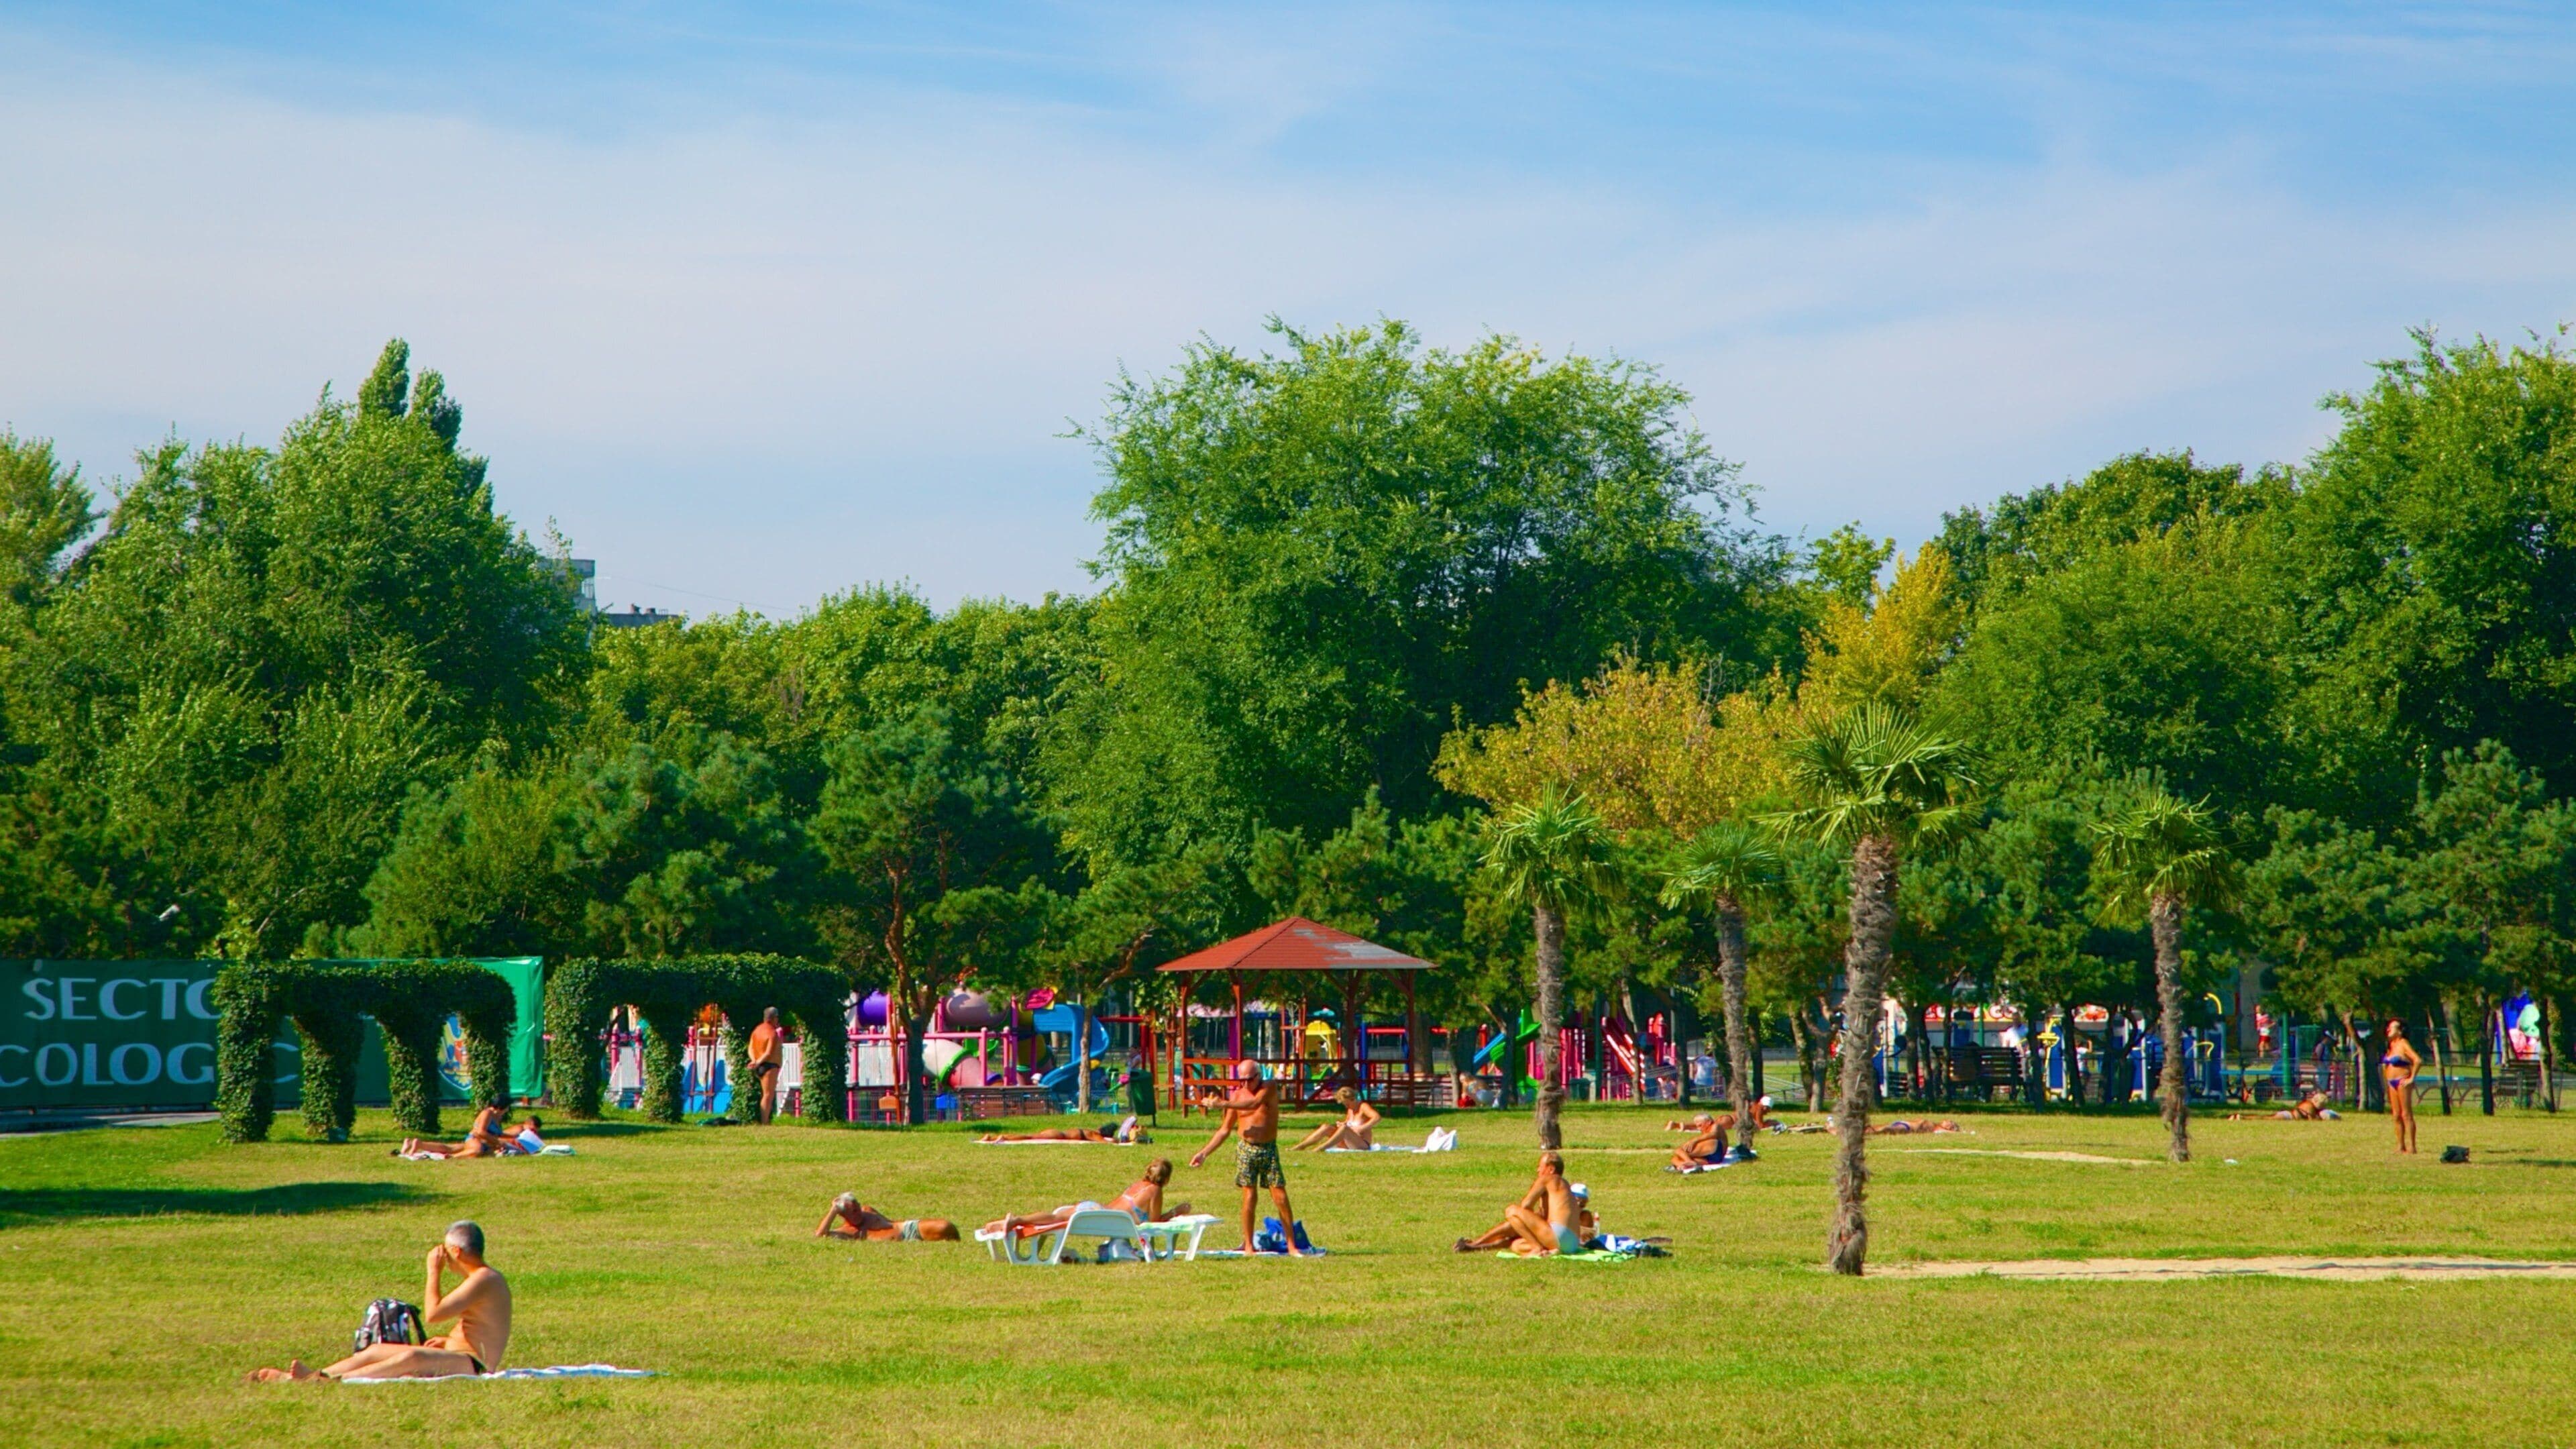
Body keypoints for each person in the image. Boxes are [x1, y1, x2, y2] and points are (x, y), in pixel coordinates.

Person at [248, 1221, 511, 1382]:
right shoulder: (484, 1279)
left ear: (456, 1251)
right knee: (375, 1350)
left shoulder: (485, 1278)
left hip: (474, 1365)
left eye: (445, 1252)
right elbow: (479, 1323)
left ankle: (329, 1381)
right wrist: (449, 1341)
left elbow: (433, 1314)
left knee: (412, 1356)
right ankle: (316, 1375)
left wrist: (434, 1271)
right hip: (459, 1354)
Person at [1188, 1061, 1305, 1256]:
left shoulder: (1269, 1087)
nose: (1245, 1084)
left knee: (1280, 1197)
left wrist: (1222, 1103)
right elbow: (1225, 1130)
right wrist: (1204, 1153)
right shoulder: (1237, 1096)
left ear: (1258, 1076)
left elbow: (1254, 1103)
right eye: (1241, 1080)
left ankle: (1292, 1245)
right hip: (1246, 1149)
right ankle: (1248, 1246)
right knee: (1249, 1197)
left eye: (1249, 1080)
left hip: (1268, 1149)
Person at [981, 1159, 1191, 1240]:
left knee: (1055, 1217)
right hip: (1104, 1219)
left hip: (1094, 1208)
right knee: (1056, 1220)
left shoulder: (1138, 1184)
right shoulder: (1155, 1191)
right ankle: (1016, 1222)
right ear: (1166, 1178)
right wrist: (1176, 1212)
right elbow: (1152, 1225)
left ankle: (1017, 1220)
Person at [1452, 1151, 1584, 1256]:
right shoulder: (1562, 1188)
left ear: (1550, 1169)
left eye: (1540, 1166)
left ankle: (1536, 1248)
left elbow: (1525, 1206)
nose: (1538, 1170)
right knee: (1515, 1244)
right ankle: (1476, 1247)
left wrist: (1522, 1225)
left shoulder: (1548, 1179)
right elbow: (1539, 1217)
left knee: (1512, 1211)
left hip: (1558, 1235)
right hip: (1572, 1244)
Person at [817, 1193, 960, 1242]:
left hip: (906, 1230)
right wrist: (833, 1210)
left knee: (945, 1227)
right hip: (904, 1243)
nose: (858, 1213)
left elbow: (892, 1223)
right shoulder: (847, 1232)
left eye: (857, 1208)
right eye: (853, 1211)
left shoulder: (867, 1211)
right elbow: (820, 1235)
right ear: (842, 1214)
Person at [396, 1105, 514, 1159]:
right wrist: (497, 1142)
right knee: (476, 1151)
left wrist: (514, 1137)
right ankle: (452, 1157)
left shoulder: (498, 1117)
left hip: (483, 1142)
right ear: (503, 1106)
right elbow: (481, 1132)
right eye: (507, 1107)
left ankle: (419, 1144)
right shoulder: (487, 1113)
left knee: (450, 1147)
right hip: (475, 1139)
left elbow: (498, 1133)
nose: (508, 1109)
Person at [1290, 1087, 1380, 1151]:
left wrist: (1362, 1128)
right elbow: (1349, 1125)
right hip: (1348, 1142)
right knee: (1326, 1127)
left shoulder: (1363, 1107)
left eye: (1347, 1104)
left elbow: (1377, 1118)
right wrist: (1342, 1124)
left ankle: (1322, 1148)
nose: (1346, 1106)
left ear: (1353, 1099)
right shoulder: (1350, 1110)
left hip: (1361, 1144)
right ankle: (1301, 1146)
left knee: (1344, 1129)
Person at [2383, 1018, 2422, 1155]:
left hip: (2402, 1081)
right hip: (2391, 1082)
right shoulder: (2391, 1046)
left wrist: (2412, 1078)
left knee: (2406, 1114)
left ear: (2400, 1031)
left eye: (2392, 1028)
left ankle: (2412, 1147)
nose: (2388, 1030)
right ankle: (2400, 1145)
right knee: (2396, 1115)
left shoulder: (2403, 1044)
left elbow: (2417, 1060)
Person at [977, 1116, 1146, 1144]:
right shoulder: (1094, 1134)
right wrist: (1119, 1142)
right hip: (1058, 1135)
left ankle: (993, 1138)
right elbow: (1104, 1143)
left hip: (1058, 1132)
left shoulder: (1090, 1130)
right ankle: (1001, 1137)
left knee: (1031, 1136)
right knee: (1030, 1137)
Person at [748, 1006, 785, 1125]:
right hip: (769, 1066)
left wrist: (754, 1060)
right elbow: (769, 1053)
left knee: (765, 1095)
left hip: (759, 1064)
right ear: (774, 1018)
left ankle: (765, 1120)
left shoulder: (756, 1030)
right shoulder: (772, 1033)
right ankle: (765, 1122)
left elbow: (750, 1049)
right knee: (768, 1095)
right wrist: (758, 1062)